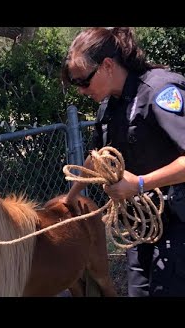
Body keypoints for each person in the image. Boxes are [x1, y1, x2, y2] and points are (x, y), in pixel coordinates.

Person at [60, 27, 185, 296]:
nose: (81, 91)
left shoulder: (159, 92)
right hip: (141, 228)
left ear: (107, 65)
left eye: (84, 81)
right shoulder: (109, 106)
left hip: (179, 224)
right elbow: (97, 158)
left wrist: (140, 184)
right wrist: (70, 198)